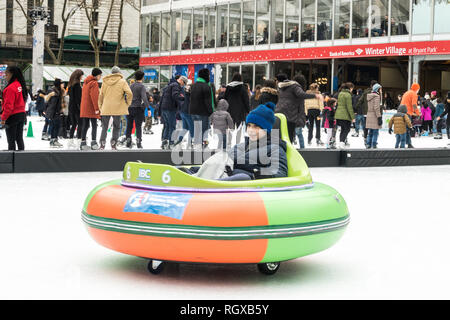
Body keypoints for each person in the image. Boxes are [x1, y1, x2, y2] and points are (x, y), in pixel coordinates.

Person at [224, 102, 288, 181]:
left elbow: (280, 173)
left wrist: (261, 174)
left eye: (256, 127)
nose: (250, 130)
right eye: (249, 126)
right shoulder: (239, 147)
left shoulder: (274, 149)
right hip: (226, 178)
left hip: (249, 184)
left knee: (243, 177)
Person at [275, 73, 321, 144]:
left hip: (279, 112)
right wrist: (315, 96)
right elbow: (301, 94)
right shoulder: (295, 86)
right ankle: (287, 151)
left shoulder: (283, 87)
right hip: (290, 114)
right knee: (289, 136)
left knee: (281, 134)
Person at [98, 66, 133, 150]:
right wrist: (127, 103)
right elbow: (129, 93)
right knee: (116, 126)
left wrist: (100, 106)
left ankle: (102, 143)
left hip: (106, 107)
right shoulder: (122, 81)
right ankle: (113, 143)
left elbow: (101, 95)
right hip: (117, 107)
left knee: (105, 127)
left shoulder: (105, 81)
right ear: (119, 73)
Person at [0, 66, 27, 151]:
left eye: (6, 74)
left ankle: (12, 161)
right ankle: (21, 158)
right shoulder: (19, 85)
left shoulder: (10, 88)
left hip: (12, 116)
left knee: (11, 140)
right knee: (19, 138)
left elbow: (9, 106)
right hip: (21, 114)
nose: (5, 77)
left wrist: (3, 118)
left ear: (12, 74)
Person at [190, 68, 216, 149]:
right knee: (204, 130)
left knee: (197, 129)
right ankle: (202, 146)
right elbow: (208, 102)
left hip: (193, 111)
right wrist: (211, 112)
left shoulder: (193, 86)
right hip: (203, 112)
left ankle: (197, 145)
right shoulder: (206, 86)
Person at [159, 75, 187, 149]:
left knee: (167, 125)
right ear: (181, 80)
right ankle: (171, 142)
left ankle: (164, 141)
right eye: (183, 83)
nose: (183, 85)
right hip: (170, 108)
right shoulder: (176, 85)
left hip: (164, 108)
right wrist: (183, 97)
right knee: (172, 125)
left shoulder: (169, 85)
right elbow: (175, 95)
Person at [125, 71, 149, 149]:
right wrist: (148, 107)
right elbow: (144, 98)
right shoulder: (141, 86)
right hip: (138, 108)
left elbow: (126, 96)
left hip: (129, 108)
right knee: (138, 126)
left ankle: (128, 140)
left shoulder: (131, 85)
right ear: (142, 77)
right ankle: (138, 141)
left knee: (129, 125)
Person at [79, 68, 102, 150]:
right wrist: (97, 108)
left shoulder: (86, 82)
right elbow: (94, 96)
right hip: (91, 107)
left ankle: (83, 143)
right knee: (94, 125)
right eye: (100, 75)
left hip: (84, 107)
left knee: (85, 125)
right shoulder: (94, 83)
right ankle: (93, 142)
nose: (100, 77)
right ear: (97, 75)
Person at [224, 73, 250, 143]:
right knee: (239, 127)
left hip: (230, 110)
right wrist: (248, 110)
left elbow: (225, 98)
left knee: (230, 126)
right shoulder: (242, 88)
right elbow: (246, 100)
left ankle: (229, 142)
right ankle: (237, 142)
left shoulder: (228, 87)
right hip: (240, 111)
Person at [45, 78, 65, 148]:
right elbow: (53, 104)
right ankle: (54, 140)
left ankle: (53, 140)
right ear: (58, 84)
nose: (63, 84)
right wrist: (56, 112)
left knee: (55, 126)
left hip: (55, 112)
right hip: (54, 113)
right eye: (62, 83)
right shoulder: (55, 93)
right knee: (55, 126)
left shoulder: (58, 91)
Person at [335, 82, 355, 148]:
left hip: (339, 114)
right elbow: (349, 107)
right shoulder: (348, 95)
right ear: (350, 88)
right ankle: (342, 142)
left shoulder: (340, 93)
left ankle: (341, 142)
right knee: (346, 129)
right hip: (345, 115)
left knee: (343, 129)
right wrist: (353, 117)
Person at [67, 69, 84, 149]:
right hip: (77, 108)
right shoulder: (77, 85)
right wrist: (81, 108)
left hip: (71, 107)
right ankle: (78, 142)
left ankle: (70, 141)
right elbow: (78, 98)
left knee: (73, 125)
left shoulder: (70, 85)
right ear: (78, 76)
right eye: (81, 75)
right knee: (80, 124)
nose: (82, 77)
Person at [365, 83, 383, 149]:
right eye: (380, 89)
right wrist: (379, 117)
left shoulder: (369, 96)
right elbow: (376, 108)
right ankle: (374, 144)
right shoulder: (377, 96)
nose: (381, 90)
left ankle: (368, 144)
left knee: (370, 132)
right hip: (375, 116)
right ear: (377, 89)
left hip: (369, 115)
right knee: (375, 132)